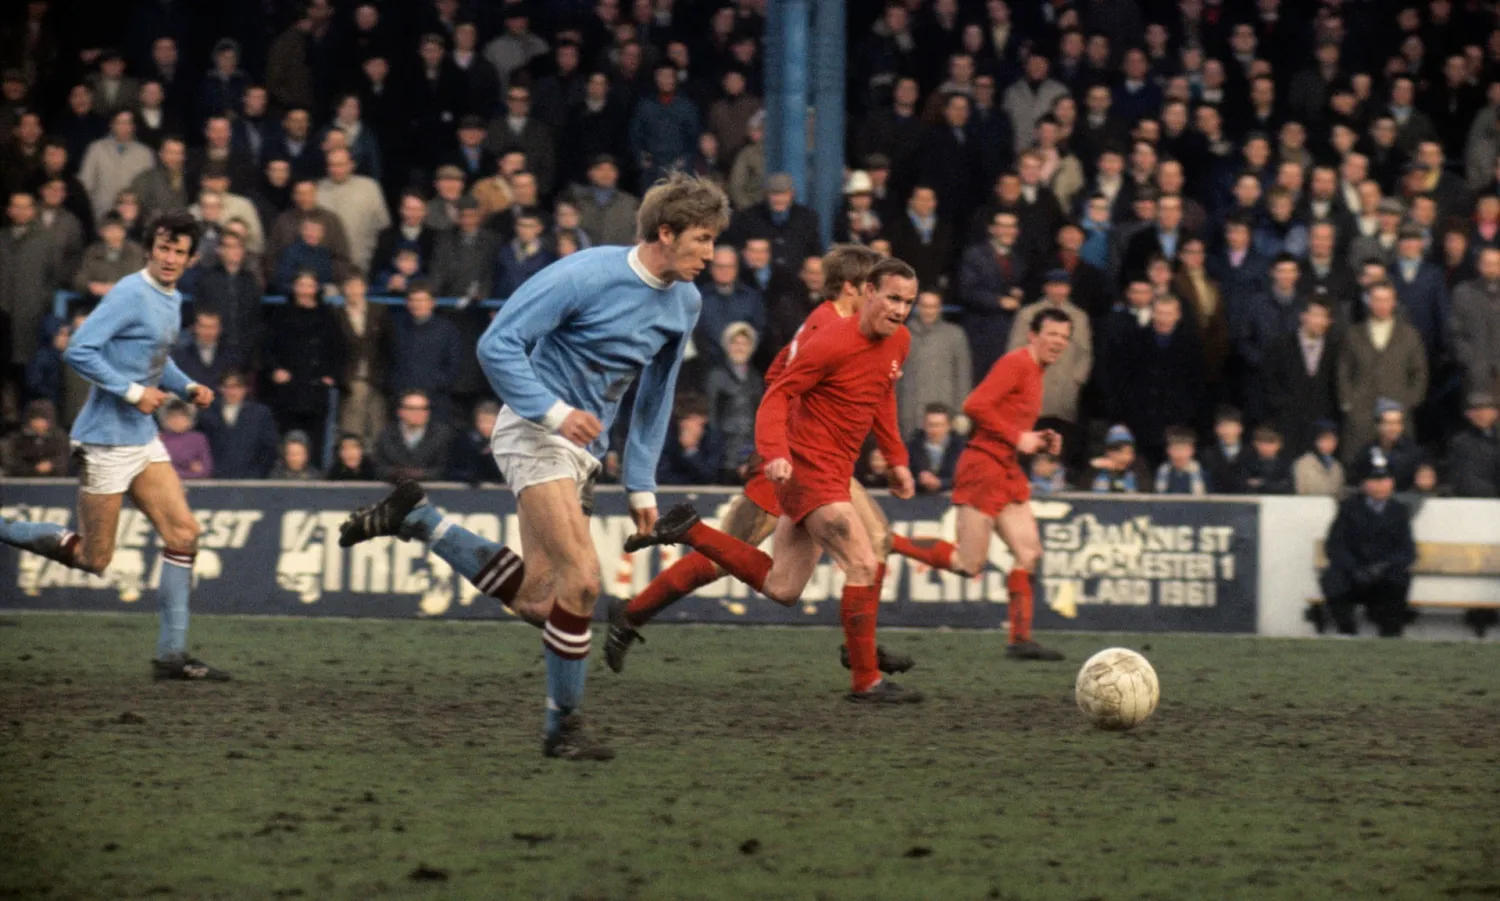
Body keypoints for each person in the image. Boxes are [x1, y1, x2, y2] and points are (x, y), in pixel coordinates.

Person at [338, 174, 731, 761]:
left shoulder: (686, 302)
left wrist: (642, 484)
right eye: (702, 239)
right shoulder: (586, 273)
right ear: (666, 233)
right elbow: (497, 344)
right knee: (585, 581)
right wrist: (553, 411)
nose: (711, 253)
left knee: (541, 604)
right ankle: (562, 729)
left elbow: (656, 394)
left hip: (583, 453)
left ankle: (420, 519)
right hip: (533, 432)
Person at [604, 248, 947, 673]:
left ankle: (862, 650)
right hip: (798, 460)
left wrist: (893, 457)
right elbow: (778, 383)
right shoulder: (829, 327)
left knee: (856, 551)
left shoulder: (859, 333)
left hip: (823, 459)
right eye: (878, 291)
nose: (893, 306)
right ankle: (633, 612)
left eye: (903, 300)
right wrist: (780, 448)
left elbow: (861, 387)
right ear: (858, 289)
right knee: (727, 558)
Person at [0, 211, 228, 680]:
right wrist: (132, 393)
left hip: (141, 439)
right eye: (163, 248)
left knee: (184, 534)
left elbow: (152, 359)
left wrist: (186, 388)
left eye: (179, 252)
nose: (169, 258)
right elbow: (79, 349)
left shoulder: (170, 297)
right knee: (93, 559)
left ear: (188, 259)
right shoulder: (129, 292)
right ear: (150, 248)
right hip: (104, 441)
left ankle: (172, 655)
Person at [1319, 448, 1417, 638]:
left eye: (1385, 479)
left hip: (1383, 577)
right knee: (1332, 578)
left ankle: (1390, 635)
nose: (1381, 485)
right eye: (1375, 480)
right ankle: (1346, 631)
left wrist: (1382, 567)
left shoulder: (1399, 512)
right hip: (1354, 577)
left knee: (1399, 579)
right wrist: (1354, 568)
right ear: (1364, 484)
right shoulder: (1349, 509)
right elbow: (1335, 545)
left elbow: (1407, 550)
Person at [196, 370, 280, 480]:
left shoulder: (260, 414)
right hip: (215, 479)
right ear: (220, 388)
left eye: (237, 387)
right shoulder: (207, 413)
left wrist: (257, 475)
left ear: (246, 389)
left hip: (251, 480)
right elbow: (198, 444)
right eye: (227, 387)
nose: (232, 392)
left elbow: (269, 449)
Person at [371, 390, 452, 482]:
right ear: (400, 411)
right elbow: (378, 467)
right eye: (411, 408)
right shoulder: (386, 434)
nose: (417, 412)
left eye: (423, 408)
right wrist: (398, 473)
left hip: (434, 492)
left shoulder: (442, 435)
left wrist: (421, 475)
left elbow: (446, 469)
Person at [1445, 393, 1499, 498]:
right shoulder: (1460, 442)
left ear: (1496, 413)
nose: (1481, 414)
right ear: (1468, 414)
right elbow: (1462, 477)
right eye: (1476, 410)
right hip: (1470, 502)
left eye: (1486, 409)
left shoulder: (1497, 440)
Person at [906, 403, 965, 493]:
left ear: (949, 426)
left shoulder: (962, 448)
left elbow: (968, 477)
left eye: (939, 425)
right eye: (930, 425)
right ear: (924, 425)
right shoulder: (911, 447)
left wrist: (942, 483)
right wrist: (920, 480)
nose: (934, 430)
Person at [1, 399, 69, 477]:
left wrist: (52, 465)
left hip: (55, 483)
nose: (39, 423)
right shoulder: (16, 440)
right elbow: (11, 464)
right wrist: (34, 469)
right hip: (22, 483)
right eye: (35, 419)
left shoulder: (60, 438)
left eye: (43, 419)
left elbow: (64, 460)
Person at [158, 399, 212, 480]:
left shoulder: (198, 439)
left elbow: (206, 470)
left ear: (189, 419)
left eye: (181, 417)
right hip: (166, 485)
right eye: (173, 416)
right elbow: (160, 471)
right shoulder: (160, 440)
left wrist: (174, 472)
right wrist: (189, 470)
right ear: (166, 420)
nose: (177, 421)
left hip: (196, 486)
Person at [1294, 421, 1346, 497]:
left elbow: (1340, 493)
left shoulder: (1337, 466)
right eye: (1324, 439)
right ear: (1315, 441)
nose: (1329, 444)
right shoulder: (1303, 464)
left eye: (1333, 440)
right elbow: (1300, 491)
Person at [1090, 424, 1145, 493]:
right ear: (1109, 453)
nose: (1130, 458)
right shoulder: (1095, 471)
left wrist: (1118, 472)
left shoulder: (1137, 472)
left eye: (1131, 453)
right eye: (1126, 453)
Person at [1241, 425, 1294, 495]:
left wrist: (1262, 483)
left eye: (1270, 443)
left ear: (1279, 444)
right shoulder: (1246, 464)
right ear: (1255, 444)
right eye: (1262, 443)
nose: (1266, 447)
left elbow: (1288, 486)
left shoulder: (1286, 465)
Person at [1154, 426, 1207, 495]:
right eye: (1175, 449)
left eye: (1183, 450)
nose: (1179, 454)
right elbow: (1159, 497)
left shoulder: (1200, 471)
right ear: (1168, 451)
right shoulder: (1164, 470)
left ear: (1192, 451)